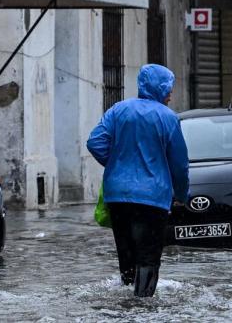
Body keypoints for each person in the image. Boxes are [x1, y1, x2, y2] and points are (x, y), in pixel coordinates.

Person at [86, 64, 189, 298]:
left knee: (127, 254)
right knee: (148, 256)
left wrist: (116, 164)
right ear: (160, 88)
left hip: (117, 196)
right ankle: (142, 305)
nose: (170, 94)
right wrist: (182, 195)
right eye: (168, 88)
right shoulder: (168, 118)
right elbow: (180, 165)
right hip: (153, 198)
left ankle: (125, 300)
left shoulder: (118, 110)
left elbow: (95, 142)